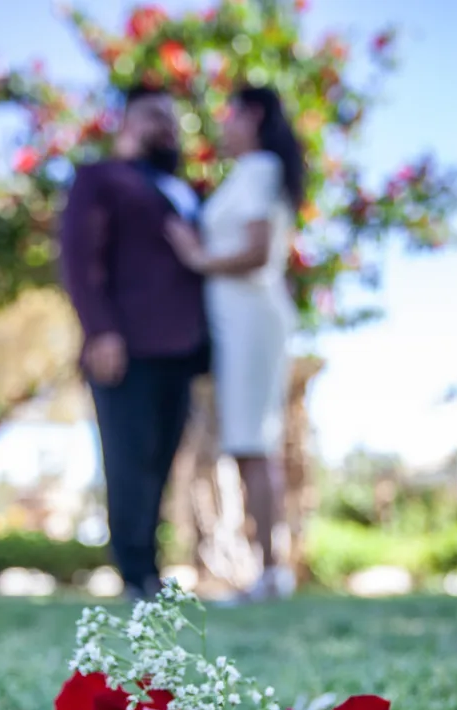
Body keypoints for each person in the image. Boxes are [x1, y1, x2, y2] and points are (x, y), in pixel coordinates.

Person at [60, 85, 209, 601]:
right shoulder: (101, 179)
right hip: (127, 344)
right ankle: (134, 574)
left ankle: (150, 567)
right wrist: (101, 330)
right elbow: (80, 260)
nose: (165, 125)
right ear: (124, 122)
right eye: (152, 116)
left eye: (171, 117)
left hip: (182, 350)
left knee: (164, 458)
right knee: (128, 459)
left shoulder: (184, 189)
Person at [166, 84, 305, 602]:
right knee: (246, 445)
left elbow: (256, 251)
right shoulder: (251, 174)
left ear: (254, 116)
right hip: (236, 323)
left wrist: (195, 256)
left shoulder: (262, 168)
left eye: (229, 116)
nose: (223, 126)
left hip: (251, 319)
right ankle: (268, 571)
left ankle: (271, 572)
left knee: (252, 443)